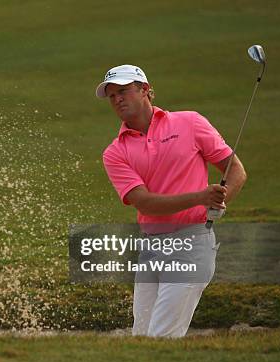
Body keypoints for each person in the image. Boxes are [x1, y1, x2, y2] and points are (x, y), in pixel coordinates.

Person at [96, 65, 247, 338]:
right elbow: (145, 203)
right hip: (150, 249)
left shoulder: (189, 122)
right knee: (142, 338)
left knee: (160, 337)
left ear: (145, 90)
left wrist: (220, 202)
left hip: (191, 244)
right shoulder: (115, 152)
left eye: (123, 91)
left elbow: (234, 169)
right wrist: (201, 197)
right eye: (111, 95)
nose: (117, 99)